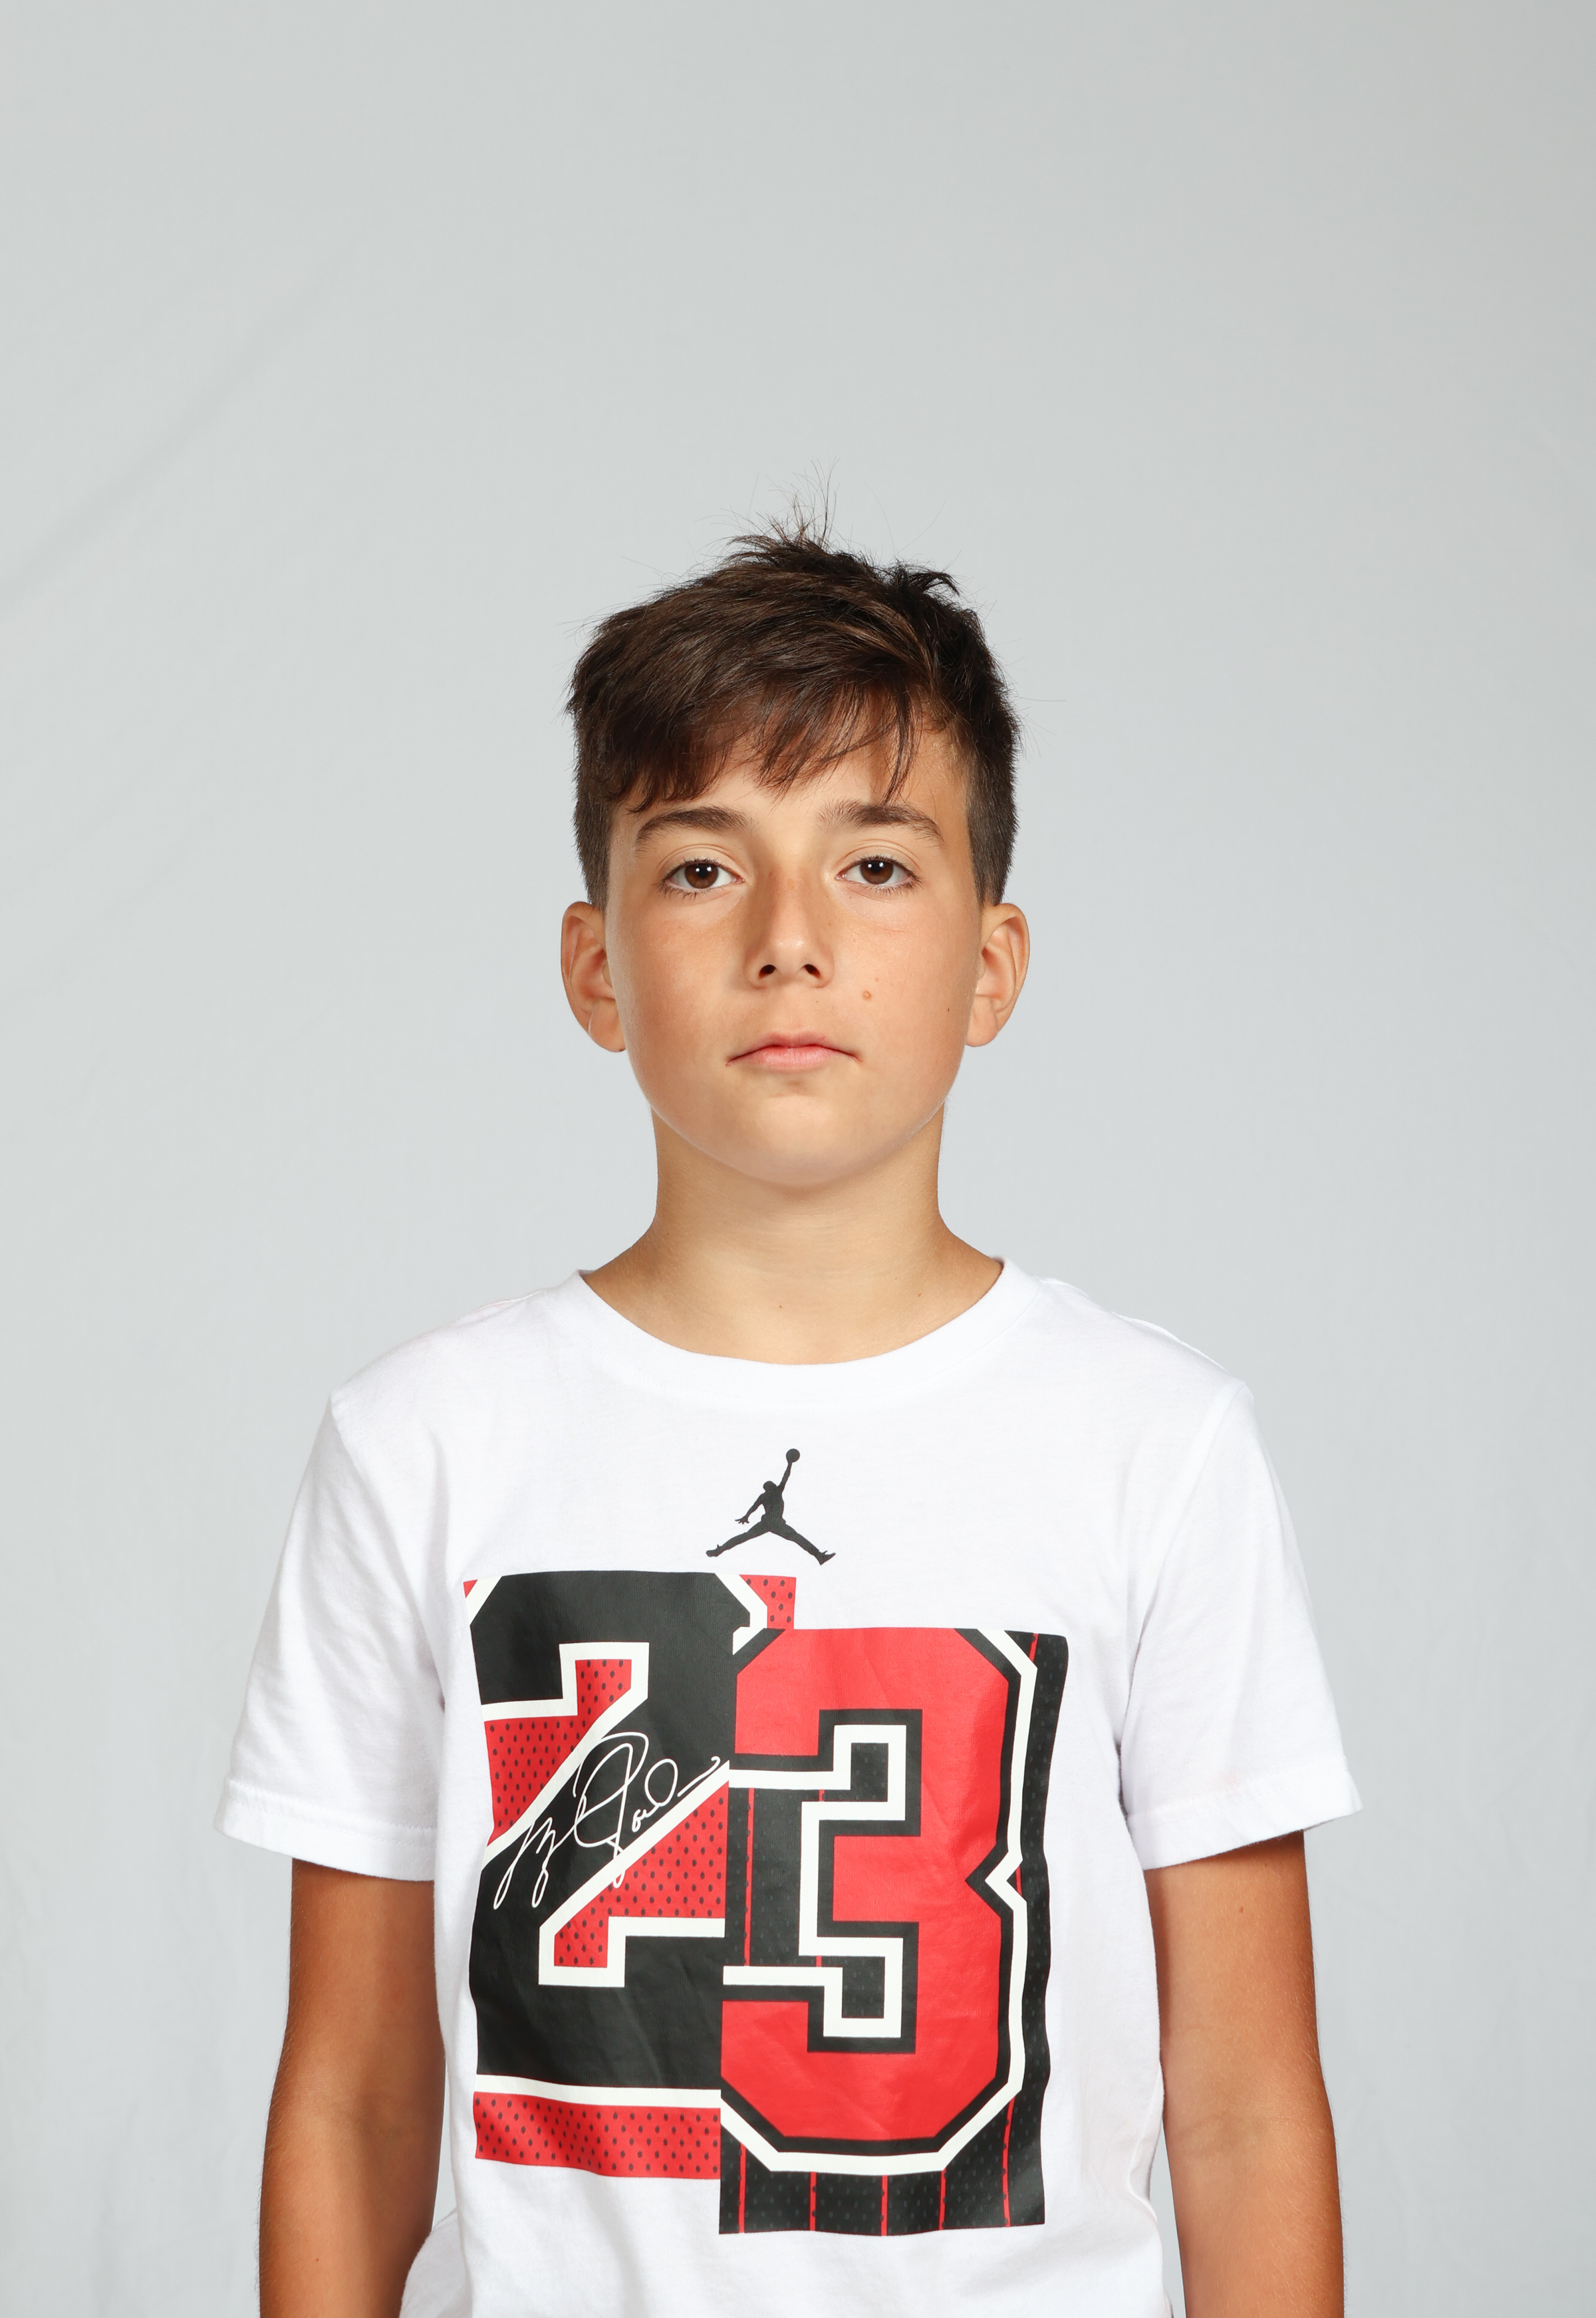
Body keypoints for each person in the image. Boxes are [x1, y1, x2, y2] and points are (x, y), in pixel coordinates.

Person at [219, 517, 1358, 2318]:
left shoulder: (1157, 1443)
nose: (789, 941)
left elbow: (1241, 2108)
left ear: (992, 964)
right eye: (700, 868)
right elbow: (355, 2100)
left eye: (876, 864)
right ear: (596, 967)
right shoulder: (421, 1445)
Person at [706, 1449, 835, 1562]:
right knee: (797, 1537)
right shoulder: (777, 1491)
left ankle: (720, 1550)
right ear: (770, 1487)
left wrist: (746, 1516)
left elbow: (753, 1508)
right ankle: (819, 1556)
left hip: (767, 1523)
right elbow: (785, 1477)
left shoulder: (764, 1496)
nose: (773, 1484)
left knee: (745, 1536)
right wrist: (789, 1464)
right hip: (776, 1523)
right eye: (771, 1484)